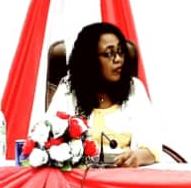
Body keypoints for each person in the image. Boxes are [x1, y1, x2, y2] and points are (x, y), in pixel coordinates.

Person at [47, 22, 160, 168]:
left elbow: (152, 144)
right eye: (109, 54)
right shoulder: (68, 89)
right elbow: (48, 138)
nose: (118, 59)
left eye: (121, 52)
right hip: (80, 176)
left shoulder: (134, 88)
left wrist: (138, 156)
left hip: (123, 175)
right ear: (90, 59)